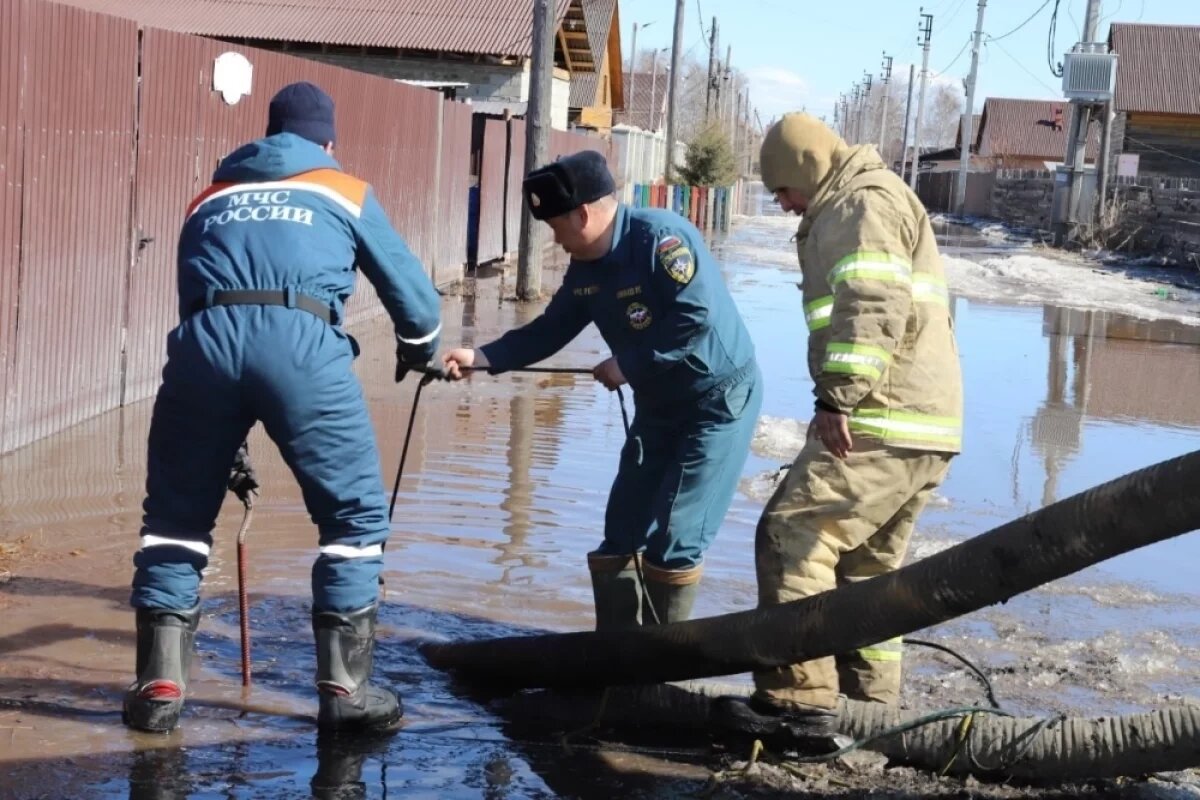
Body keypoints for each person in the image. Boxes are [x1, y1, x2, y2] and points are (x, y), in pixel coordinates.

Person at [123, 82, 443, 734]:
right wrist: (418, 351)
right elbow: (415, 301)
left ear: (267, 137)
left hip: (202, 349)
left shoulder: (208, 198)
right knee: (353, 515)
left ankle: (159, 686)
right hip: (302, 346)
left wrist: (227, 437)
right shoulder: (342, 189)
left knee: (175, 521)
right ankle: (345, 691)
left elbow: (200, 303)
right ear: (326, 143)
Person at [441, 151, 761, 630]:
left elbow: (695, 319)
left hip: (716, 402)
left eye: (556, 227)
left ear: (583, 215)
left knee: (676, 538)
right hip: (657, 406)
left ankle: (659, 669)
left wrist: (627, 364)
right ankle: (613, 657)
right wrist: (482, 358)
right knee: (621, 533)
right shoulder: (586, 268)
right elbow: (550, 330)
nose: (555, 239)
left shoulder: (660, 241)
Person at [718, 113, 963, 738]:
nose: (782, 205)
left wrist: (837, 398)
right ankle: (869, 716)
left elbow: (871, 303)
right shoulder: (870, 197)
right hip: (920, 422)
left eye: (782, 190)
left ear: (807, 169)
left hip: (879, 416)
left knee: (792, 533)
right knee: (870, 574)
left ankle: (800, 705)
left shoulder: (862, 203)